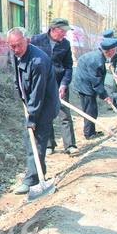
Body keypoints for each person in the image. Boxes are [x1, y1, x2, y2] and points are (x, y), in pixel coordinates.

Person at [8, 27, 60, 196]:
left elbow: (38, 93)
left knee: (36, 141)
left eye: (18, 46)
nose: (15, 50)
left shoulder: (38, 61)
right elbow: (18, 78)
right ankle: (37, 174)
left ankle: (33, 180)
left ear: (28, 41)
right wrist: (21, 95)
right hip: (32, 103)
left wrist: (32, 117)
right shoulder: (16, 54)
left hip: (44, 106)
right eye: (12, 46)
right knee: (31, 140)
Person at [31, 18, 78, 156]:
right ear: (53, 29)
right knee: (46, 115)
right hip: (42, 83)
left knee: (64, 114)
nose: (65, 34)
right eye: (62, 31)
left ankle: (70, 145)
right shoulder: (37, 41)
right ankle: (49, 145)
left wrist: (64, 84)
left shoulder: (65, 45)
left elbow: (69, 66)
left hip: (59, 83)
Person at [72, 38, 117, 139]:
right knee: (90, 111)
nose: (116, 52)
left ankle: (91, 131)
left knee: (93, 109)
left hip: (87, 83)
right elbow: (96, 82)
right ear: (110, 51)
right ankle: (89, 134)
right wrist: (105, 96)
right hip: (85, 86)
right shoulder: (97, 60)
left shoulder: (99, 56)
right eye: (115, 50)